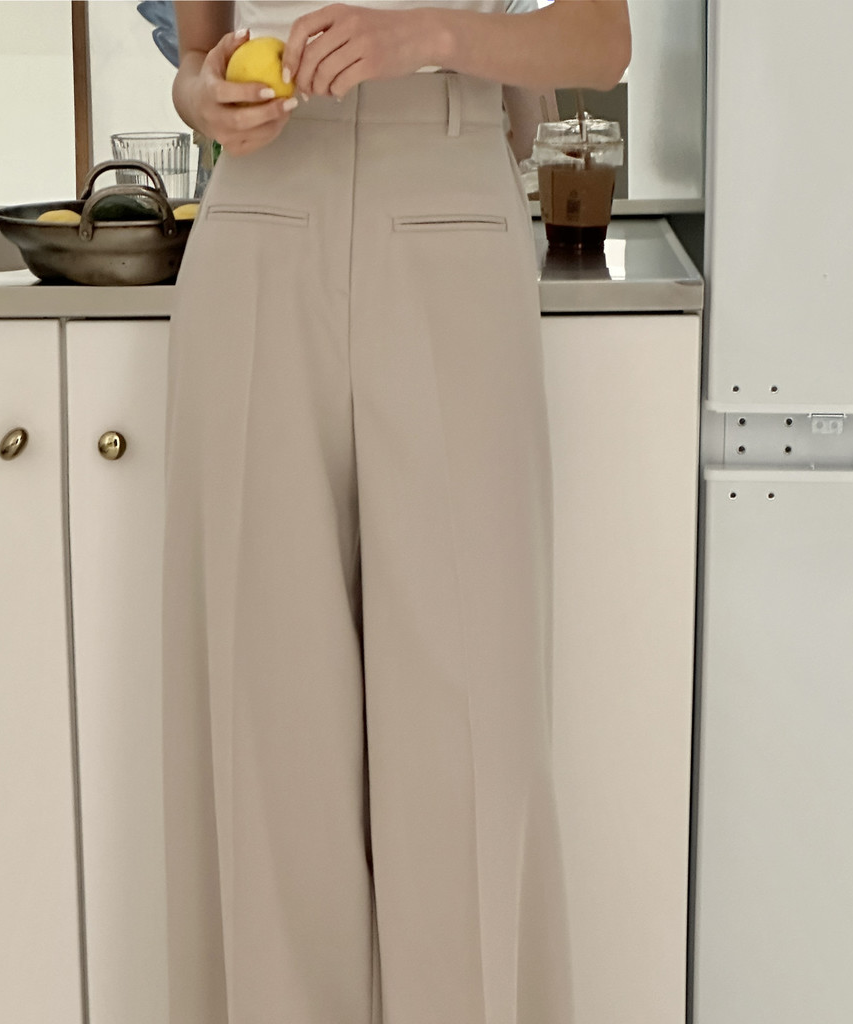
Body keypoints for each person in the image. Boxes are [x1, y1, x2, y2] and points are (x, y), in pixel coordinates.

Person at [161, 3, 630, 1023]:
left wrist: (426, 37)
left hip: (449, 198)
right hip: (259, 210)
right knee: (266, 735)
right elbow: (195, 57)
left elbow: (602, 40)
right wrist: (205, 97)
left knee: (468, 735)